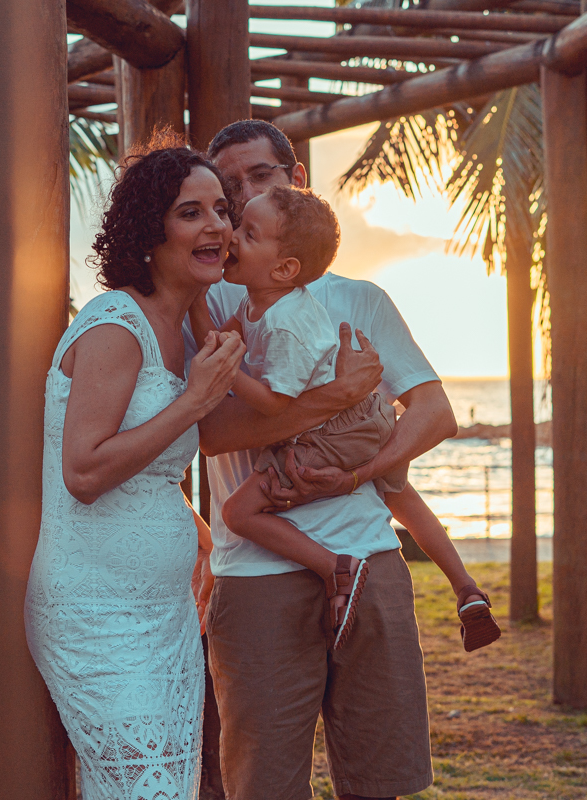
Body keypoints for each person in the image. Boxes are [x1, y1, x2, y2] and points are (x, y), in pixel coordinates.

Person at [188, 119, 496, 800]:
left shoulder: (361, 300)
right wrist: (336, 398)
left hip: (371, 560)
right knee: (261, 787)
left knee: (378, 780)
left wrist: (356, 472)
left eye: (259, 177)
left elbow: (435, 413)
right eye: (228, 187)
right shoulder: (207, 300)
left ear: (297, 181)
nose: (242, 198)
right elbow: (207, 433)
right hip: (257, 574)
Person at [23, 140, 247, 800]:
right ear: (151, 232)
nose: (216, 227)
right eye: (191, 213)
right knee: (145, 790)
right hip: (96, 614)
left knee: (161, 789)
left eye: (222, 211)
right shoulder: (115, 326)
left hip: (166, 614)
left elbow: (167, 457)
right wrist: (197, 399)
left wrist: (333, 400)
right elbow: (84, 473)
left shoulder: (184, 327)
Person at [189, 184, 431, 649]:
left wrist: (228, 373)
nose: (232, 236)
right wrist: (198, 302)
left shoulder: (287, 323)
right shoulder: (257, 299)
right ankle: (337, 567)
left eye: (249, 233)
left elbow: (275, 406)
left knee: (238, 512)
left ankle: (335, 566)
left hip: (338, 431)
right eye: (236, 223)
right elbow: (220, 341)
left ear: (284, 268)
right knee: (248, 502)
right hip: (320, 423)